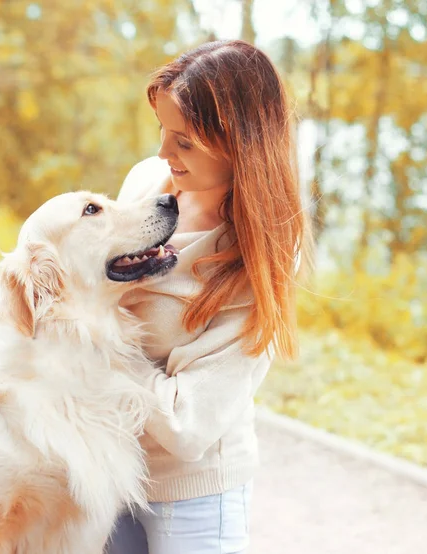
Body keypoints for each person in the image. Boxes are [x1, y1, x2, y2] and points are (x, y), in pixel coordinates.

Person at [106, 39, 312, 554]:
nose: (162, 154)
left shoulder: (259, 255)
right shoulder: (146, 185)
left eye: (184, 142)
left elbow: (188, 426)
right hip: (107, 467)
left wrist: (94, 347)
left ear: (240, 144)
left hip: (192, 497)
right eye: (162, 131)